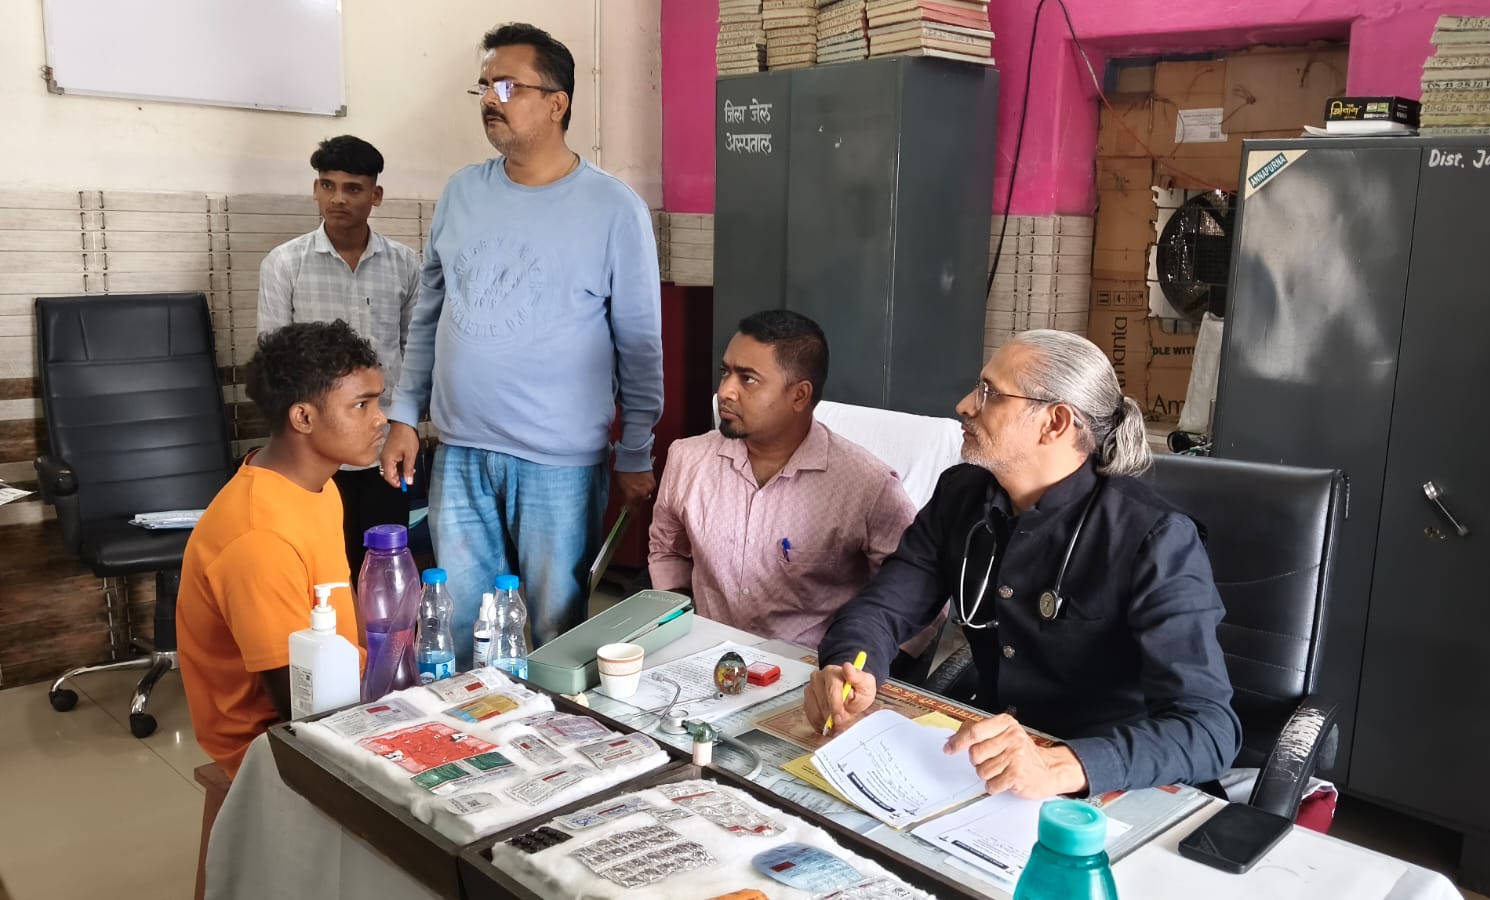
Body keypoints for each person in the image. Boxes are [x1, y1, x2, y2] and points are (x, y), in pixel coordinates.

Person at [803, 330, 1241, 799]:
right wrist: (849, 668)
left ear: (1055, 422)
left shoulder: (1154, 538)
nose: (964, 405)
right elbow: (882, 608)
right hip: (990, 770)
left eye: (989, 392)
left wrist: (1062, 764)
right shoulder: (961, 495)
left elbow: (1209, 730)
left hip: (1114, 783)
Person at [380, 23, 664, 661]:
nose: (490, 98)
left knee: (558, 634)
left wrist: (635, 450)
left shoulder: (613, 208)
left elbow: (640, 345)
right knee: (460, 630)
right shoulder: (462, 193)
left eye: (507, 86)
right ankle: (472, 722)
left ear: (557, 102)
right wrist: (403, 416)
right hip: (460, 450)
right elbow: (428, 314)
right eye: (484, 85)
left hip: (558, 462)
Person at [176, 321, 384, 777]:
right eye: (361, 405)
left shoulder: (317, 486)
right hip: (268, 743)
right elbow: (298, 705)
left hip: (344, 697)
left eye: (378, 402)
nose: (380, 419)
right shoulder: (258, 538)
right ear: (303, 418)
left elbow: (339, 604)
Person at [648, 310, 917, 648]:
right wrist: (679, 623)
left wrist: (864, 663)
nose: (725, 391)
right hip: (704, 656)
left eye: (748, 379)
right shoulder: (687, 460)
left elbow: (914, 592)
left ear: (799, 395)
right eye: (725, 372)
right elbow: (667, 549)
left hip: (810, 668)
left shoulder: (866, 485)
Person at [256, 134, 421, 580]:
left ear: (375, 195)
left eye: (352, 188)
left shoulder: (406, 266)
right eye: (327, 186)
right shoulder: (284, 264)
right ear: (315, 189)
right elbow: (273, 363)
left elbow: (416, 353)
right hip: (312, 453)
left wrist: (406, 426)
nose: (338, 199)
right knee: (320, 574)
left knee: (384, 569)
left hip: (383, 445)